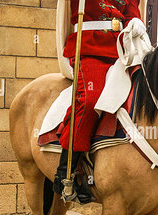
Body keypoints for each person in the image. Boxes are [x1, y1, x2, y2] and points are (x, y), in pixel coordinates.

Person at [53, 0, 146, 204]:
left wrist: (135, 21)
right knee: (90, 102)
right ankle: (65, 173)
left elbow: (130, 12)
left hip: (121, 51)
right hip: (88, 48)